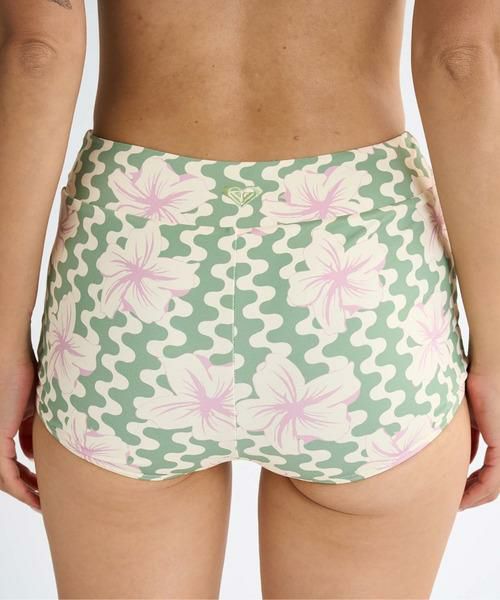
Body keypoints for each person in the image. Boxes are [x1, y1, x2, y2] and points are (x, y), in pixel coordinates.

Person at [0, 0, 498, 598]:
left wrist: (3, 342)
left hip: (133, 268)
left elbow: (35, 52)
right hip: (359, 272)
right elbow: (461, 57)